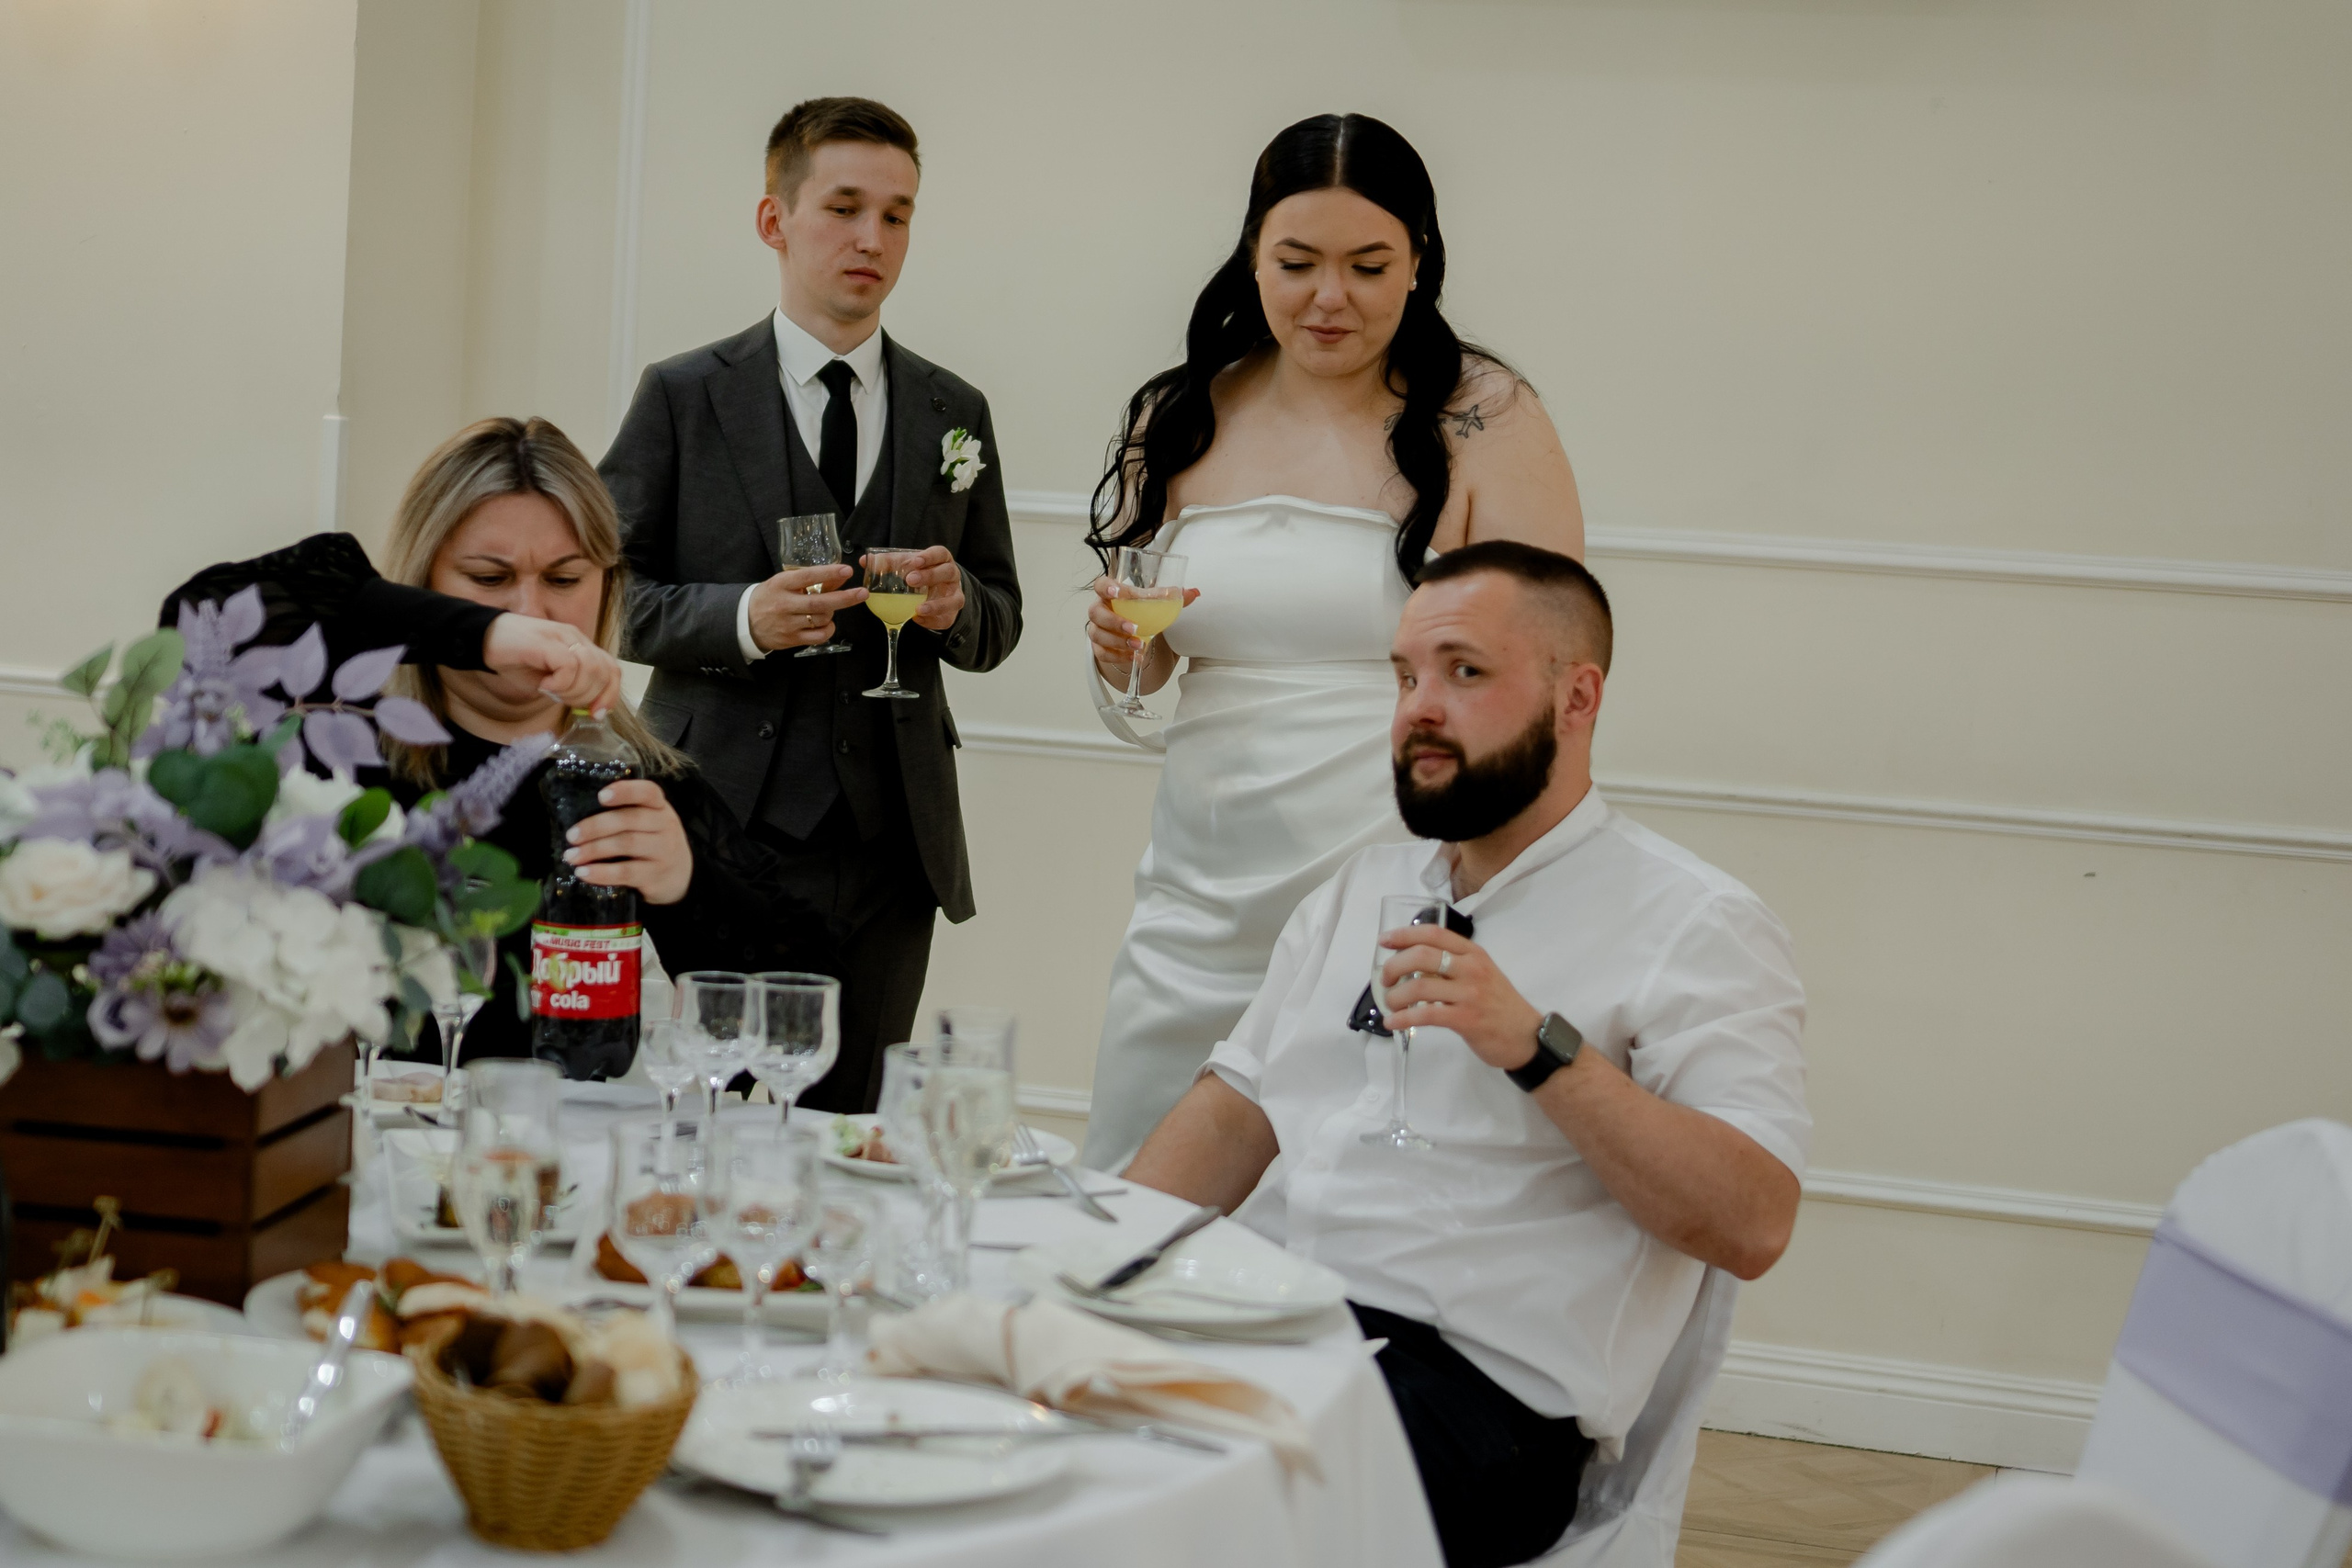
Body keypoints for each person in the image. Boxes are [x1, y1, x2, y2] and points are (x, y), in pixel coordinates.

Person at [1125, 542, 1807, 1568]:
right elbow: (1234, 1110)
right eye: (1404, 676)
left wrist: (1537, 1049)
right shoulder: (1363, 886)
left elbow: (1751, 1222)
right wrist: (1087, 1267)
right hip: (1271, 1322)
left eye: (1465, 672)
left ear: (1575, 698)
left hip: (1479, 1405)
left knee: (1165, 1511)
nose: (1418, 708)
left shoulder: (1695, 922)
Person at [1080, 113, 1585, 1170]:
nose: (1329, 297)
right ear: (1252, 255)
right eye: (1296, 262)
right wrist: (1120, 650)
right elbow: (1144, 672)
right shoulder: (1180, 416)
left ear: (1418, 265)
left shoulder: (1485, 415)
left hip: (1392, 866)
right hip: (1197, 880)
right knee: (1143, 1191)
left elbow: (1548, 667)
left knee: (1345, 1197)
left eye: (1368, 265)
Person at [162, 416, 836, 1063]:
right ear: (425, 580)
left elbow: (806, 1016)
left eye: (565, 580)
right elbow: (198, 615)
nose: (531, 611)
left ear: (607, 589)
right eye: (489, 579)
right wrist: (485, 636)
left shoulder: (632, 783)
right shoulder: (342, 731)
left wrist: (690, 885)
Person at [603, 96, 1021, 1113]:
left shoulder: (951, 412)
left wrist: (950, 604)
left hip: (893, 843)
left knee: (851, 1123)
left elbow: (998, 617)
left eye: (897, 214)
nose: (872, 239)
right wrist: (743, 620)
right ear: (774, 220)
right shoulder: (683, 394)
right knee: (709, 1112)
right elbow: (603, 595)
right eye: (843, 207)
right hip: (715, 827)